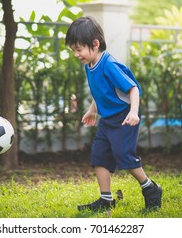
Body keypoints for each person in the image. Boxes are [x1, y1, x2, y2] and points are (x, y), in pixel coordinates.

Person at [65, 16, 162, 211]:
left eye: (79, 49)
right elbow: (99, 91)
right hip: (108, 119)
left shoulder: (109, 65)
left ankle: (150, 188)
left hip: (124, 117)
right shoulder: (90, 65)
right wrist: (93, 109)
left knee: (123, 156)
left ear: (95, 44)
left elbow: (133, 88)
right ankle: (106, 199)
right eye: (73, 50)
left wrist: (134, 112)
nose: (76, 54)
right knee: (99, 155)